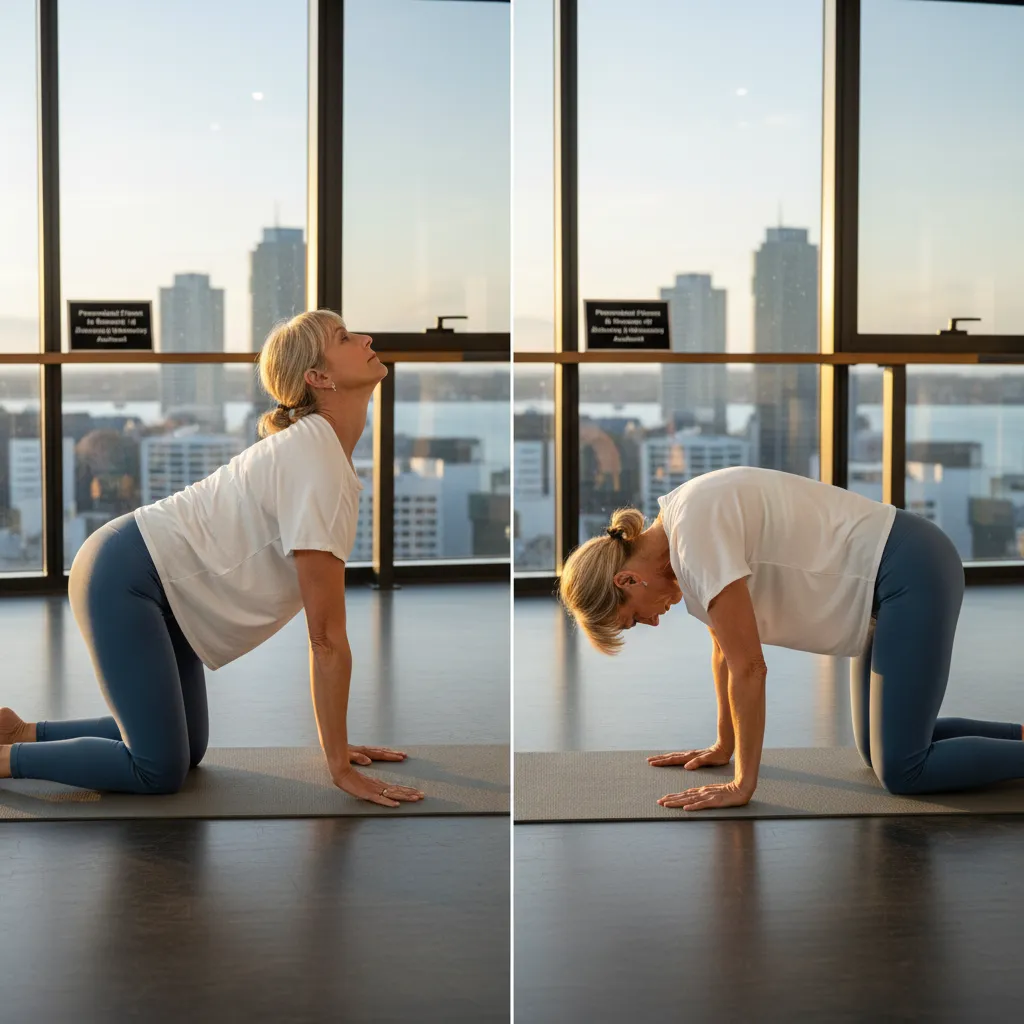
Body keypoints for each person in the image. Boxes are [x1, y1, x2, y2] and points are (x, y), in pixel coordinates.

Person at [0, 309, 424, 809]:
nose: (367, 338)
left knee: (187, 748)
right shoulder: (316, 459)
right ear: (318, 377)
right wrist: (338, 765)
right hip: (126, 575)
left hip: (164, 584)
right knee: (157, 768)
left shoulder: (320, 450)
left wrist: (338, 746)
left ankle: (20, 732)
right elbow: (325, 638)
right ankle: (7, 759)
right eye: (346, 338)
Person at [559, 465, 1024, 811]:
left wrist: (743, 784)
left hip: (909, 571)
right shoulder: (681, 534)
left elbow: (749, 667)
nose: (654, 623)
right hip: (885, 583)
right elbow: (724, 650)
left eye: (633, 620)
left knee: (903, 769)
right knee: (875, 750)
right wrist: (724, 745)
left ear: (626, 581)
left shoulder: (693, 537)